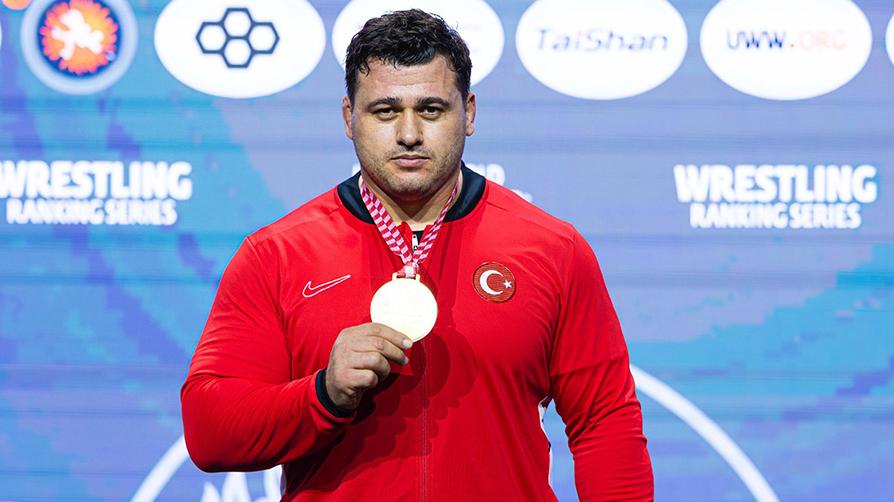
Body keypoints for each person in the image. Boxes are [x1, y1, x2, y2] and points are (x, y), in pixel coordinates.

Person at [181, 9, 653, 501]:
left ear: (469, 113)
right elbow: (210, 433)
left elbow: (606, 423)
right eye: (385, 111)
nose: (409, 133)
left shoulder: (552, 249)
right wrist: (323, 394)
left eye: (431, 110)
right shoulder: (277, 255)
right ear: (349, 118)